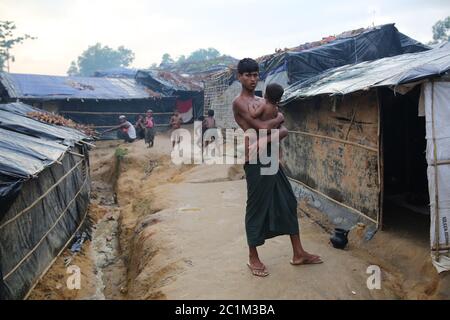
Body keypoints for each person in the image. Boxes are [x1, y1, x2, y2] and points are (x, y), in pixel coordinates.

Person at [232, 58, 322, 277]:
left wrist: (267, 137)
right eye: (248, 75)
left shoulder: (262, 100)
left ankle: (298, 253)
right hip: (255, 160)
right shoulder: (239, 103)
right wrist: (277, 121)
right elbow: (262, 126)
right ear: (239, 77)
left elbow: (285, 131)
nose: (253, 79)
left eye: (255, 74)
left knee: (288, 201)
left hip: (271, 157)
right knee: (256, 207)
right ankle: (253, 257)